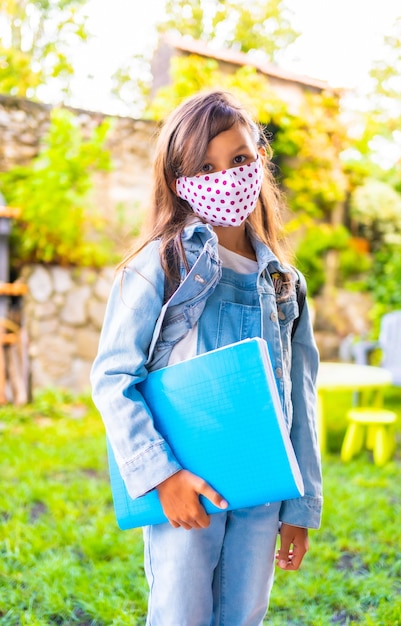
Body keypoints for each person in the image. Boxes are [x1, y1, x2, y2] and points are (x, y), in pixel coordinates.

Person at [90, 89, 322, 626]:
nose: (228, 175)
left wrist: (300, 505)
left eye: (240, 159)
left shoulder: (286, 283)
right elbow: (113, 376)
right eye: (206, 166)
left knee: (245, 614)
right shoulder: (160, 266)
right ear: (180, 183)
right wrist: (161, 476)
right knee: (181, 615)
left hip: (263, 490)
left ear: (259, 162)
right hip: (184, 484)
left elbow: (302, 397)